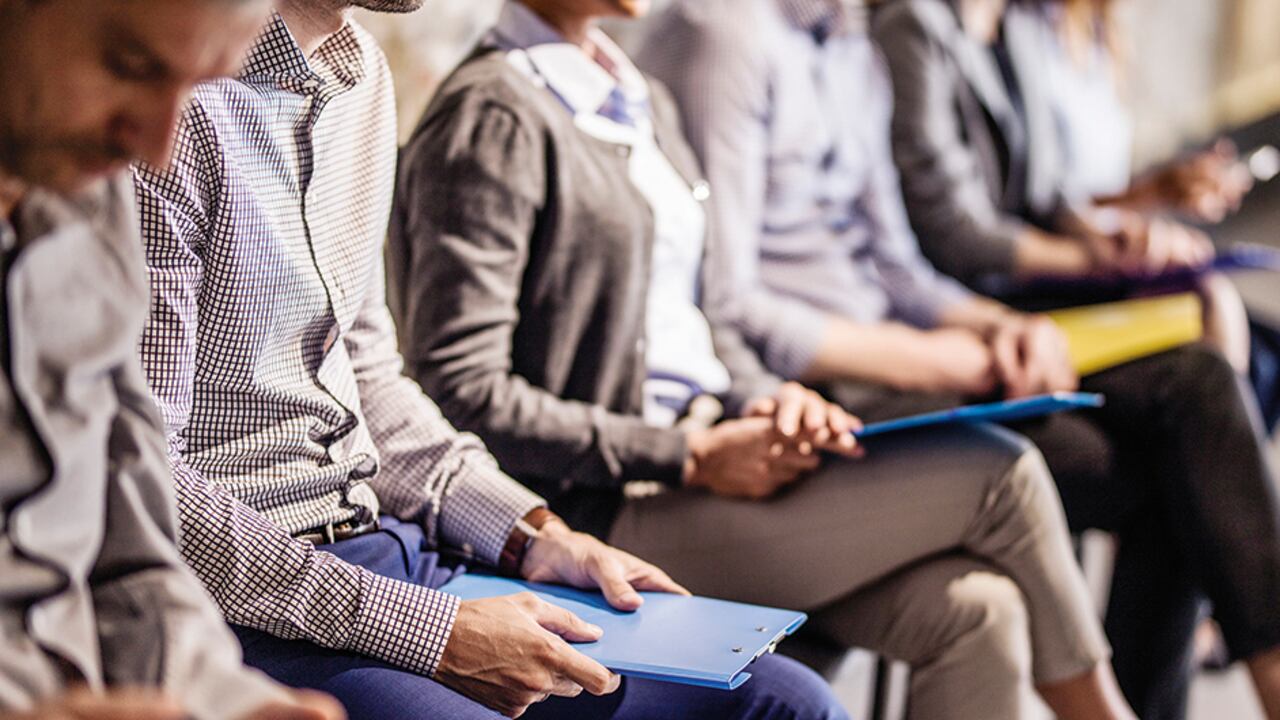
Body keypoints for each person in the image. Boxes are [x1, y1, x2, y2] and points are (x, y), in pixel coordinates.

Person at [388, 1, 1141, 718]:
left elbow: (705, 318)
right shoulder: (493, 113)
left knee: (979, 609)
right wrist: (687, 455)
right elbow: (461, 388)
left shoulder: (637, 92)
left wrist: (771, 398)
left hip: (717, 450)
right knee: (1001, 472)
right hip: (606, 505)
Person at [131, 1, 841, 719]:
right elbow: (144, 483)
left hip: (388, 545)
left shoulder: (362, 77)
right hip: (252, 595)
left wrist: (534, 535)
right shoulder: (167, 108)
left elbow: (371, 377)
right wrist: (429, 633)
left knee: (785, 700)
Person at [638, 0, 1280, 719]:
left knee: (1197, 386)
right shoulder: (728, 37)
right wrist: (946, 359)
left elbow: (898, 264)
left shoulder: (847, 39)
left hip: (898, 342)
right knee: (1175, 461)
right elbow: (732, 304)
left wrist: (999, 327)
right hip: (817, 385)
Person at [0, 0, 344, 718]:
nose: (156, 148)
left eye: (197, 87)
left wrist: (231, 700)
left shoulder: (92, 199)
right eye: (129, 66)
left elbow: (135, 559)